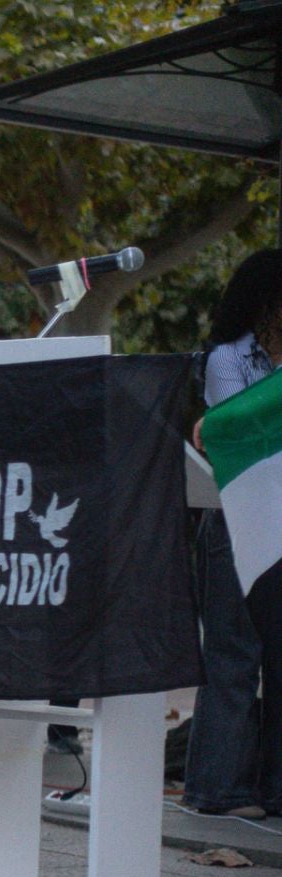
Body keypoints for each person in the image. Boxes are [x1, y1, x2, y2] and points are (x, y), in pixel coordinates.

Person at [186, 248, 282, 818]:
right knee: (232, 655)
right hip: (232, 519)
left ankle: (270, 787)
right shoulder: (228, 360)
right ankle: (216, 789)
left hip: (275, 521)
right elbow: (240, 428)